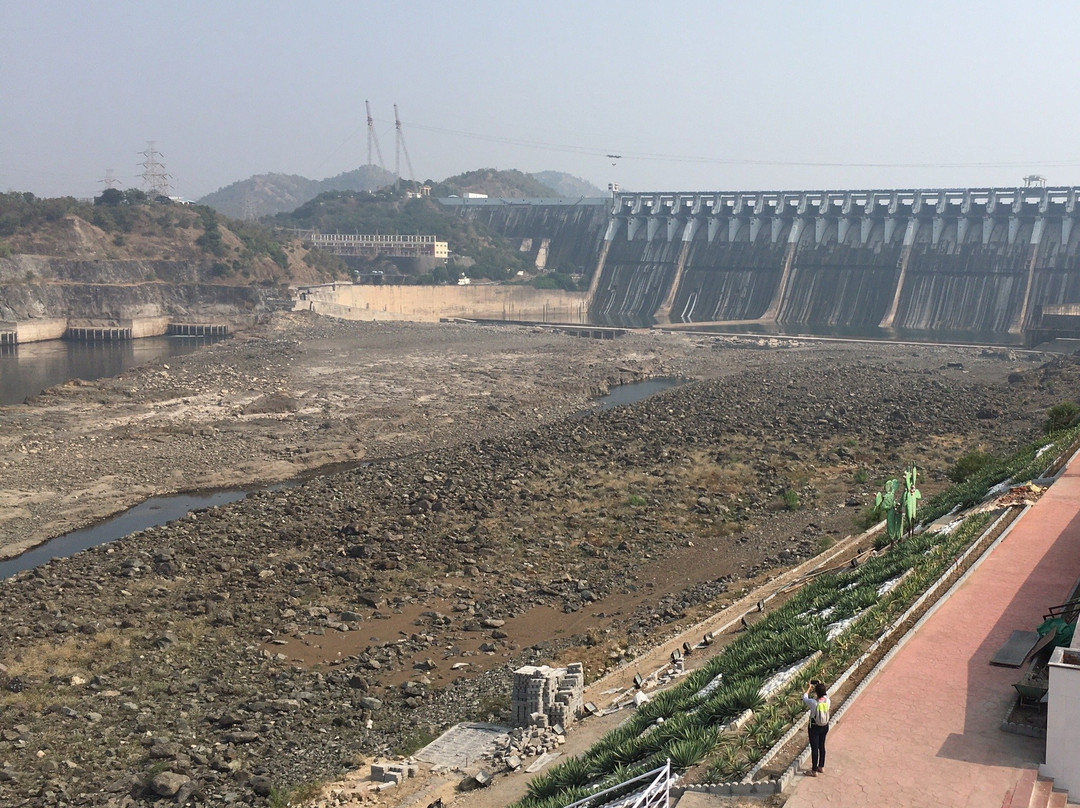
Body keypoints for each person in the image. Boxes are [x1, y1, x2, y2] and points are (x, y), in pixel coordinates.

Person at [802, 679, 830, 775]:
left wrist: (808, 688)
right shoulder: (827, 700)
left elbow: (805, 698)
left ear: (816, 692)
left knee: (814, 748)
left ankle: (814, 770)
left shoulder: (813, 703)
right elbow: (824, 693)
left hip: (814, 727)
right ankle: (821, 766)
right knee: (822, 746)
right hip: (825, 726)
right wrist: (821, 684)